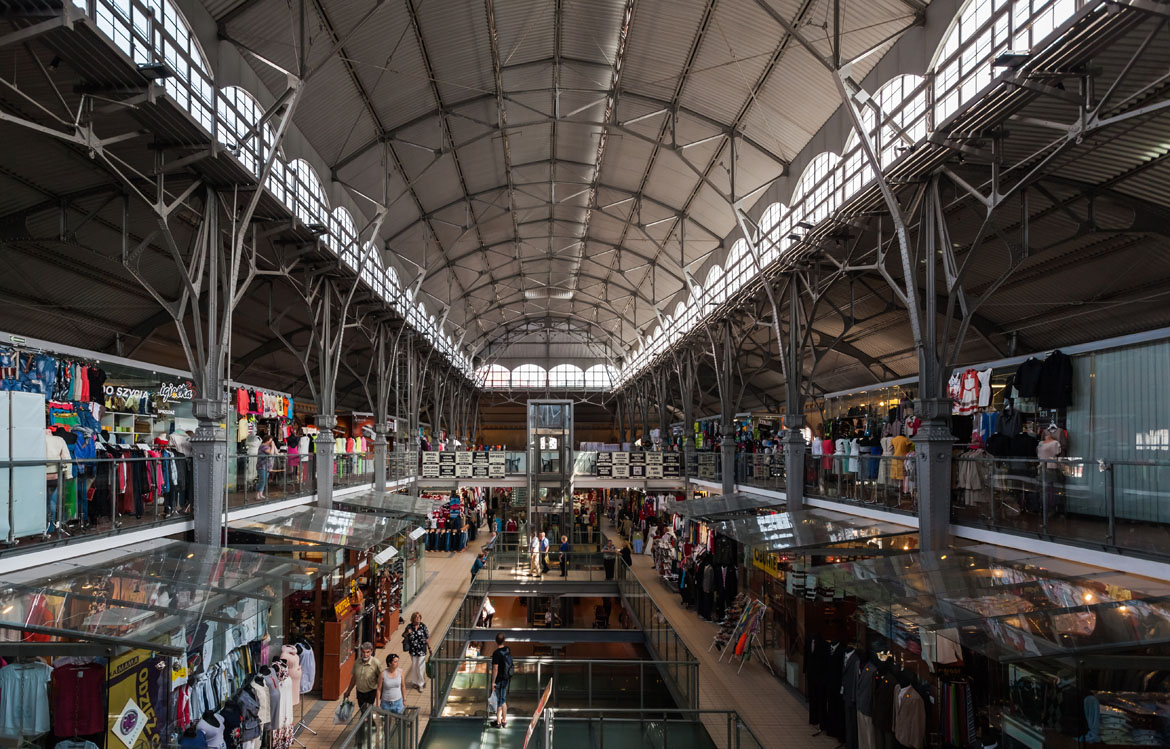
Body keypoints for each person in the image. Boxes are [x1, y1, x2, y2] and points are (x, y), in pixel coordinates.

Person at [345, 642, 382, 711]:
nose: (365, 655)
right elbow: (354, 678)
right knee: (362, 711)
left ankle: (366, 721)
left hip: (371, 692)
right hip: (360, 692)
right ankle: (367, 721)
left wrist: (380, 695)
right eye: (363, 652)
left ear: (371, 651)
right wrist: (348, 691)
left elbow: (381, 679)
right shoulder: (357, 662)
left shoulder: (376, 663)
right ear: (361, 652)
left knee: (367, 712)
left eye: (368, 652)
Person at [402, 612, 430, 691]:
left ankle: (421, 683)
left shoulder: (423, 626)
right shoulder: (409, 626)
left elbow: (427, 637)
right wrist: (408, 632)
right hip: (413, 650)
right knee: (414, 666)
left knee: (420, 667)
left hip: (422, 650)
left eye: (419, 617)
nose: (418, 619)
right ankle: (415, 682)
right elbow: (403, 635)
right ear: (413, 619)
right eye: (416, 617)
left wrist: (429, 647)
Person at [490, 632, 512, 728]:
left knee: (499, 700)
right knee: (503, 700)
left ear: (496, 641)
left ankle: (498, 722)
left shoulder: (495, 653)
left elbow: (495, 669)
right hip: (506, 678)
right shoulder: (507, 649)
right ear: (504, 640)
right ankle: (504, 720)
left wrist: (493, 682)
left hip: (499, 680)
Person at [256, 431, 275, 500]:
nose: (271, 441)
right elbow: (271, 453)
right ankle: (257, 493)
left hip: (267, 466)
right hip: (262, 466)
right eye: (271, 440)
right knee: (262, 480)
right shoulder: (263, 446)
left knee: (264, 480)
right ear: (267, 440)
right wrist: (272, 446)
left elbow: (276, 452)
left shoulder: (268, 446)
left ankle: (261, 493)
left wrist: (274, 446)